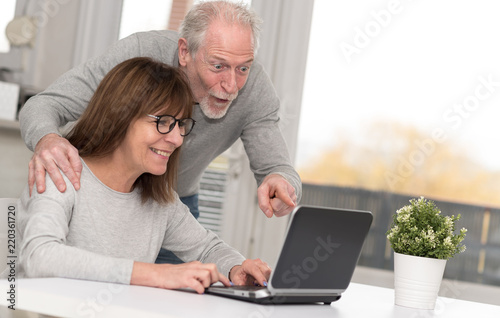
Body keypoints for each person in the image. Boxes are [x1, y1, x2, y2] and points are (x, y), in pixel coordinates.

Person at [19, 1, 301, 264]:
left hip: (169, 202)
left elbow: (278, 169)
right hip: (97, 194)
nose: (232, 85)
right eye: (218, 66)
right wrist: (47, 139)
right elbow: (45, 105)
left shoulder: (255, 89)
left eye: (243, 68)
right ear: (184, 52)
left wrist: (281, 183)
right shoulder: (139, 55)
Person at [9, 57, 270, 293]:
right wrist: (154, 273)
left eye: (180, 125)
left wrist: (236, 268)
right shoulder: (60, 172)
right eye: (163, 122)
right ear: (119, 116)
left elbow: (207, 248)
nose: (177, 138)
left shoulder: (159, 198)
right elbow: (38, 257)